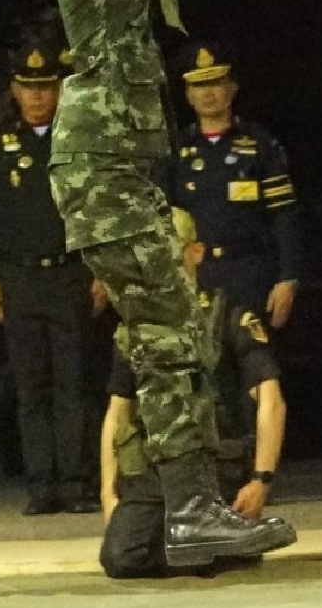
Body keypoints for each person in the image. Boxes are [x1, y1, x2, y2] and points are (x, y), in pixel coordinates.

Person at [39, 0, 295, 567]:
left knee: (163, 331)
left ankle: (175, 517)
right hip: (100, 165)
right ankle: (190, 509)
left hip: (117, 165)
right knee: (170, 329)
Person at [100, 209, 287, 577]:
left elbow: (271, 401)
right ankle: (212, 551)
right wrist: (108, 493)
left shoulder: (228, 317)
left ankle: (217, 542)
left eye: (169, 250)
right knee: (121, 558)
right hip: (159, 468)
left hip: (217, 463)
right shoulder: (139, 327)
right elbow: (117, 414)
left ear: (195, 253)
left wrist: (261, 480)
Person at [0, 43, 105, 514]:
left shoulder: (79, 140)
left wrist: (102, 273)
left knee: (74, 386)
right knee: (31, 389)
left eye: (45, 87)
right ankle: (41, 486)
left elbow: (98, 211)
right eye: (28, 88)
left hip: (70, 274)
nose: (36, 97)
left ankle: (75, 484)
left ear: (59, 88)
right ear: (14, 89)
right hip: (18, 281)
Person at [172, 42, 301, 328]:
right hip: (195, 278)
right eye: (199, 85)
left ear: (232, 88)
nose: (208, 93)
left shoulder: (259, 143)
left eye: (216, 83)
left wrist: (288, 278)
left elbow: (284, 214)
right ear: (188, 95)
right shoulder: (177, 150)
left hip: (251, 276)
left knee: (255, 364)